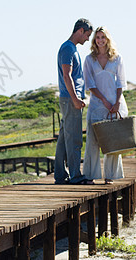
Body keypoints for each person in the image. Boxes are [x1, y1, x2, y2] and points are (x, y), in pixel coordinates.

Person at [83, 26, 128, 184]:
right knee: (93, 140)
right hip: (97, 104)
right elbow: (90, 84)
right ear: (94, 40)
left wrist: (116, 102)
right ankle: (90, 176)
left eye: (103, 37)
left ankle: (110, 176)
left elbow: (121, 82)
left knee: (112, 141)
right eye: (97, 37)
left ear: (107, 39)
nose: (100, 40)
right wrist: (104, 101)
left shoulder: (117, 58)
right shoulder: (90, 59)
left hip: (116, 104)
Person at [54, 18, 94, 185]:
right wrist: (76, 99)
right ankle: (76, 176)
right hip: (71, 99)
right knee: (74, 139)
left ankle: (60, 175)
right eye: (87, 35)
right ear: (80, 31)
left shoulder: (71, 48)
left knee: (64, 139)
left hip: (69, 99)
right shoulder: (68, 49)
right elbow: (66, 75)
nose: (88, 39)